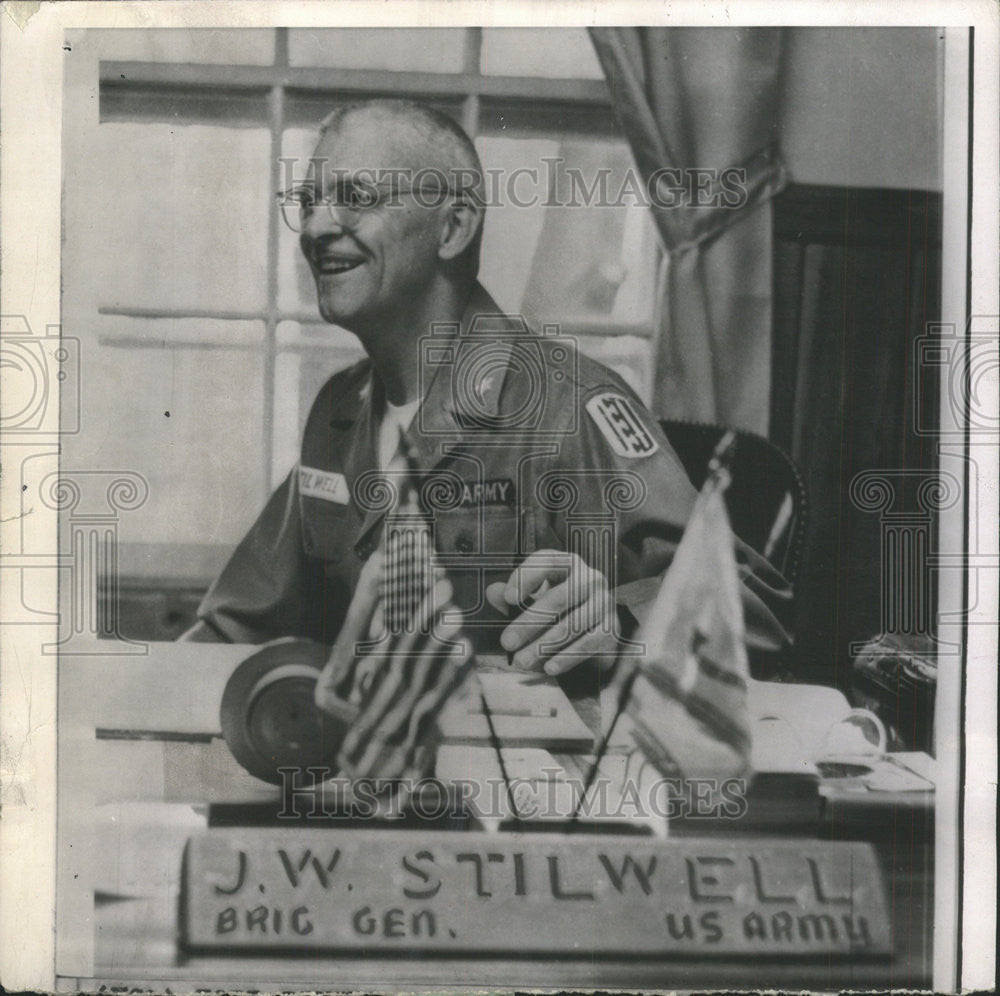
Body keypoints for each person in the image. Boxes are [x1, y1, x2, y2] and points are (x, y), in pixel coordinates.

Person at [183, 98, 791, 683]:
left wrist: (622, 621)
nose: (316, 227)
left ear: (452, 228)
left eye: (356, 198)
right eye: (309, 201)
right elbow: (237, 625)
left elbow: (752, 615)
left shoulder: (567, 405)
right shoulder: (340, 409)